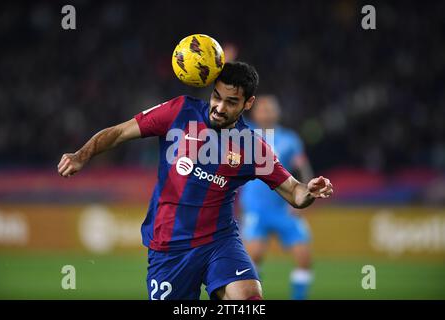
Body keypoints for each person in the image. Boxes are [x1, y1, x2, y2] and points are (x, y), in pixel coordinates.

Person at [57, 61, 333, 300]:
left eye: (231, 102)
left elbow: (294, 193)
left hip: (219, 242)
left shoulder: (251, 147)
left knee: (248, 296)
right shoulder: (179, 112)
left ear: (248, 104)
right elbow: (119, 132)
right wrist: (82, 155)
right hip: (169, 246)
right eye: (217, 97)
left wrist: (309, 190)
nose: (220, 107)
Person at [240, 95, 315, 300]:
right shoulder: (244, 133)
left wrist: (307, 194)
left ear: (278, 112)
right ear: (254, 112)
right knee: (251, 260)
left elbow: (302, 168)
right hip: (256, 209)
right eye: (262, 109)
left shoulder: (290, 139)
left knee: (304, 258)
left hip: (284, 207)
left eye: (270, 109)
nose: (266, 113)